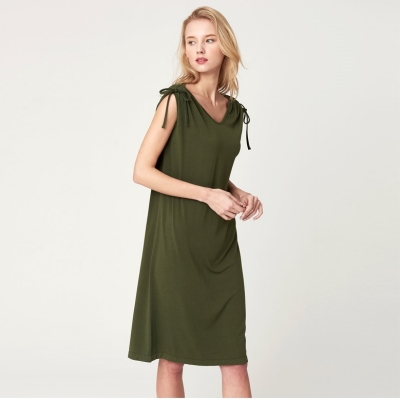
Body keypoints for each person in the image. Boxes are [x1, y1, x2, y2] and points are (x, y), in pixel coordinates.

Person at [128, 6, 263, 398]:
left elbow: (206, 167)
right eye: (191, 41)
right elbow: (142, 170)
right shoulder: (175, 102)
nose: (199, 49)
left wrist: (236, 192)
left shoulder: (235, 113)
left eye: (208, 40)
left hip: (219, 245)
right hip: (175, 242)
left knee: (234, 357)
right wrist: (208, 194)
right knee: (173, 357)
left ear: (225, 47)